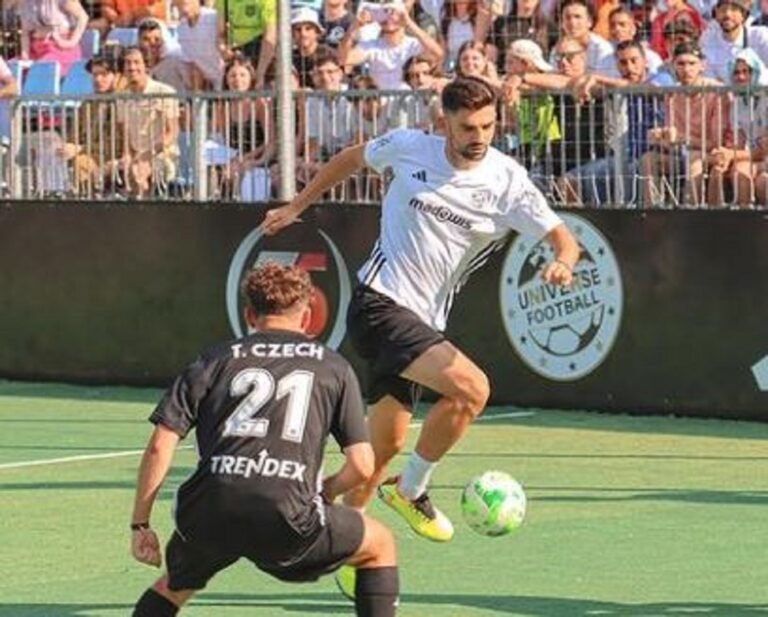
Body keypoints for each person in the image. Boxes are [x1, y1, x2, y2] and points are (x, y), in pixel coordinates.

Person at [261, 77, 579, 555]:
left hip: (424, 322)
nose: (479, 136)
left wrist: (563, 263)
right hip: (379, 303)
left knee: (378, 453)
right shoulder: (409, 147)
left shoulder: (508, 181)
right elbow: (350, 159)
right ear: (444, 122)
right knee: (473, 389)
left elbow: (563, 239)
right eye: (467, 127)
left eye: (488, 126)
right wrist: (296, 206)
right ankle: (411, 490)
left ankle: (331, 524)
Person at [130, 261, 400, 617]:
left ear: (249, 315)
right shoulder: (333, 367)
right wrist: (327, 490)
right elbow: (363, 466)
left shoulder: (214, 359)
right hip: (286, 516)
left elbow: (159, 445)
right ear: (308, 317)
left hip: (211, 508)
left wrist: (140, 524)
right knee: (380, 544)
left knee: (174, 584)